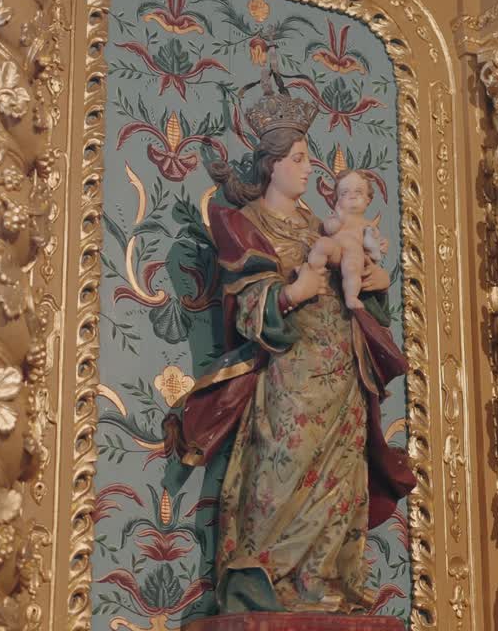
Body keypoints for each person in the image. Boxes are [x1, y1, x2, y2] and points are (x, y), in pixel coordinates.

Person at [171, 87, 414, 615]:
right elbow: (245, 305)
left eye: (310, 158)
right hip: (287, 373)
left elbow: (365, 297)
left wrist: (374, 283)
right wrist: (291, 293)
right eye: (300, 158)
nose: (311, 169)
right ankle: (262, 580)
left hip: (343, 369)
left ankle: (325, 584)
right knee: (280, 469)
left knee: (338, 480)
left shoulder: (317, 226)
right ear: (273, 164)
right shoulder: (243, 222)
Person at [309, 169, 388, 311]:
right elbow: (329, 229)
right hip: (336, 249)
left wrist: (380, 246)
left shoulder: (368, 225)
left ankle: (351, 297)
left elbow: (373, 248)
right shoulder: (337, 216)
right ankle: (312, 271)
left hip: (353, 254)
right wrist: (339, 219)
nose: (352, 196)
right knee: (322, 245)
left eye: (358, 192)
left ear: (368, 200)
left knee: (352, 269)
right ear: (336, 200)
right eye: (344, 193)